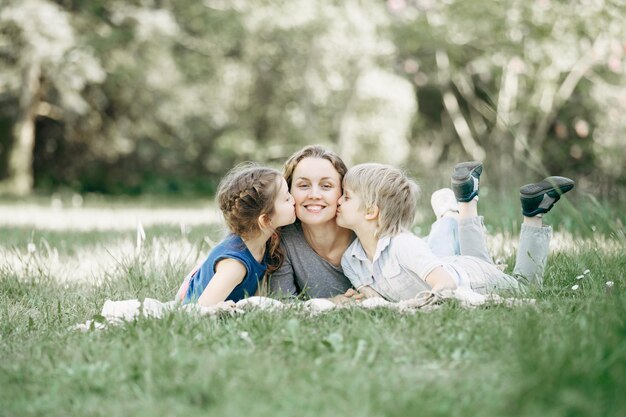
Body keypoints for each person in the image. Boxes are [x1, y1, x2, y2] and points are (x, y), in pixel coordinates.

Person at [336, 161, 574, 302]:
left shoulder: (402, 245)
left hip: (475, 281)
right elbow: (375, 301)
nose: (338, 201)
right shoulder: (350, 260)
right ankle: (466, 200)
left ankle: (534, 214)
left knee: (526, 288)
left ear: (370, 211)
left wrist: (418, 307)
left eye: (346, 197)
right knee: (479, 261)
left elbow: (445, 285)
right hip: (459, 263)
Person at [175, 164, 296, 306]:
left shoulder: (262, 242)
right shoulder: (235, 264)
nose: (294, 200)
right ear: (265, 220)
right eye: (287, 199)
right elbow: (201, 308)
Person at [269, 145, 355, 299]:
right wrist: (331, 303)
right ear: (288, 191)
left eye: (326, 186)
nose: (314, 195)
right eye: (303, 185)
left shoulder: (362, 231)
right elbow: (283, 304)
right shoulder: (282, 239)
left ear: (342, 191)